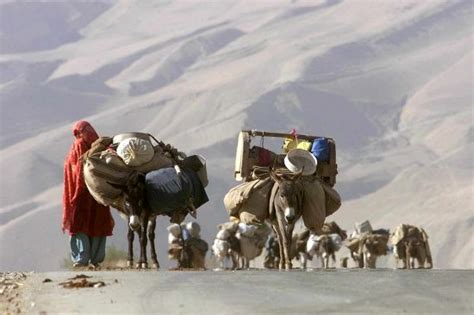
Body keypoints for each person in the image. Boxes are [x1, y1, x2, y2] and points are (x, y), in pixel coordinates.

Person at [62, 121, 114, 268]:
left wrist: (77, 193)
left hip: (82, 195)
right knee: (98, 223)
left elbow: (78, 171)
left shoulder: (78, 145)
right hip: (98, 193)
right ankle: (96, 259)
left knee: (79, 224)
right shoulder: (98, 148)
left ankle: (81, 258)